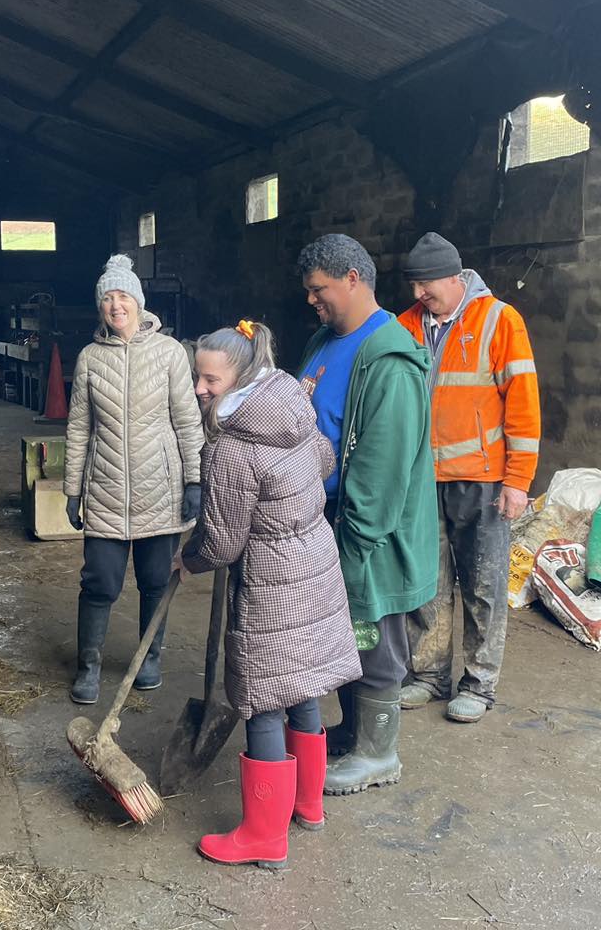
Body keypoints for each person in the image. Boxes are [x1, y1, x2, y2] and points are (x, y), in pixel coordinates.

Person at [180, 320, 361, 868]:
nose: (199, 389)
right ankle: (308, 805)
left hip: (274, 575)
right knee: (303, 684)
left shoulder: (232, 448)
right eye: (197, 377)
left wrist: (189, 557)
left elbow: (224, 544)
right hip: (315, 558)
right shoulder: (290, 405)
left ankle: (264, 836)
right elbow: (325, 463)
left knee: (261, 697)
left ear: (239, 375)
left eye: (209, 379)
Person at [295, 234, 438, 795]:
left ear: (353, 278)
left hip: (372, 533)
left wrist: (355, 543)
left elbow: (381, 471)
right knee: (345, 635)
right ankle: (355, 730)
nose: (312, 300)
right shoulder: (323, 341)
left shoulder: (390, 358)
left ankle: (380, 752)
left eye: (318, 289)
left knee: (373, 632)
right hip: (324, 516)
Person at [397, 232, 541, 723]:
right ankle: (429, 676)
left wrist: (518, 481)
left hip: (483, 479)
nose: (419, 295)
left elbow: (523, 405)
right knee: (429, 584)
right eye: (414, 286)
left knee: (483, 586)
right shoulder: (405, 325)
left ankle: (479, 685)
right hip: (422, 480)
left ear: (457, 278)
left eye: (427, 285)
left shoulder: (500, 320)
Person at [63, 255, 203, 704]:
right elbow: (79, 427)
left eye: (123, 296)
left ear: (140, 303)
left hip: (159, 489)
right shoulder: (89, 358)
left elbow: (187, 419)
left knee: (156, 581)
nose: (116, 305)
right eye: (108, 298)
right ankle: (88, 666)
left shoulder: (170, 354)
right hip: (104, 489)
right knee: (99, 583)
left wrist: (194, 479)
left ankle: (150, 657)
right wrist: (71, 489)